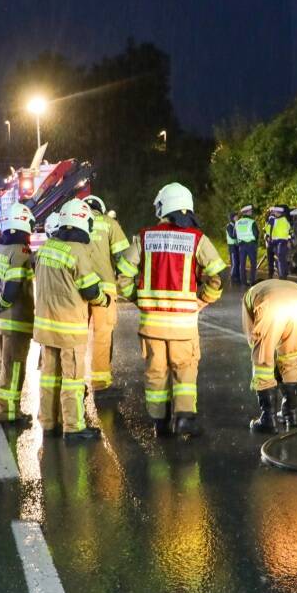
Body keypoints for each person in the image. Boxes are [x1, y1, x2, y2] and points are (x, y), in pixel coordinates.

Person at [118, 182, 227, 438]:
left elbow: (122, 277)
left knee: (156, 373)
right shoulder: (197, 239)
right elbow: (219, 276)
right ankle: (184, 421)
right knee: (185, 370)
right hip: (184, 325)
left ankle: (160, 424)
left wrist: (139, 299)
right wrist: (202, 301)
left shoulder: (143, 237)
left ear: (162, 208)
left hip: (151, 325)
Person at [32, 199, 109, 440]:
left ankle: (49, 422)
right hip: (69, 329)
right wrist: (104, 299)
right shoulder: (77, 251)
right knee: (73, 379)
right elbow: (89, 289)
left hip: (45, 327)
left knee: (49, 377)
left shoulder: (46, 248)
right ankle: (74, 427)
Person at [0, 203, 37, 428]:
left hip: (0, 320)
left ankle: (7, 410)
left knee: (7, 366)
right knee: (14, 368)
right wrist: (3, 303)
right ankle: (9, 414)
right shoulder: (20, 252)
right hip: (16, 320)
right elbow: (13, 288)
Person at [242, 279, 297, 432]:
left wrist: (266, 357)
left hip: (271, 306)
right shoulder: (287, 287)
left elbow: (253, 335)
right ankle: (290, 414)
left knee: (263, 363)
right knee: (290, 358)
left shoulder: (251, 294)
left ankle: (268, 419)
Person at [82, 195, 131, 393]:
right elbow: (121, 257)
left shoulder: (76, 223)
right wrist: (128, 282)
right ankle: (101, 384)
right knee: (103, 335)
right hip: (105, 286)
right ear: (100, 209)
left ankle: (74, 384)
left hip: (78, 288)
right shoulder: (109, 223)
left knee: (77, 337)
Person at [234, 208, 258, 284]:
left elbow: (234, 234)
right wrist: (255, 241)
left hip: (241, 245)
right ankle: (252, 280)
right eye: (250, 211)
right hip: (251, 244)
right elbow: (256, 233)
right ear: (247, 212)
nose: (251, 212)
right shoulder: (252, 222)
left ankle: (243, 281)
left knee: (242, 264)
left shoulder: (237, 222)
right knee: (253, 263)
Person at [270, 206, 293, 279]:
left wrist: (269, 238)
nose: (274, 213)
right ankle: (284, 273)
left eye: (275, 212)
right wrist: (289, 240)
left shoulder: (274, 220)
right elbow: (289, 231)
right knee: (282, 259)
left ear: (278, 213)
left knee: (279, 259)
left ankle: (282, 275)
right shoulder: (285, 220)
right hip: (283, 241)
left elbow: (269, 230)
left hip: (278, 242)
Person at [225, 212, 241, 285]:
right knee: (234, 262)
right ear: (232, 218)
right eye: (236, 217)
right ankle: (232, 276)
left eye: (237, 217)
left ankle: (237, 276)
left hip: (236, 245)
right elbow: (232, 236)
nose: (237, 218)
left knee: (237, 261)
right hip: (232, 246)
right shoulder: (229, 226)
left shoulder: (235, 225)